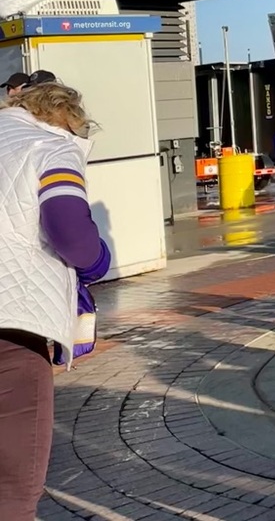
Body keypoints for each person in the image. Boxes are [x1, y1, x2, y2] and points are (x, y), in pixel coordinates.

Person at [0, 81, 111, 521]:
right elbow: (72, 235)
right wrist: (98, 261)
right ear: (67, 118)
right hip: (11, 332)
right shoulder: (52, 148)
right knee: (14, 488)